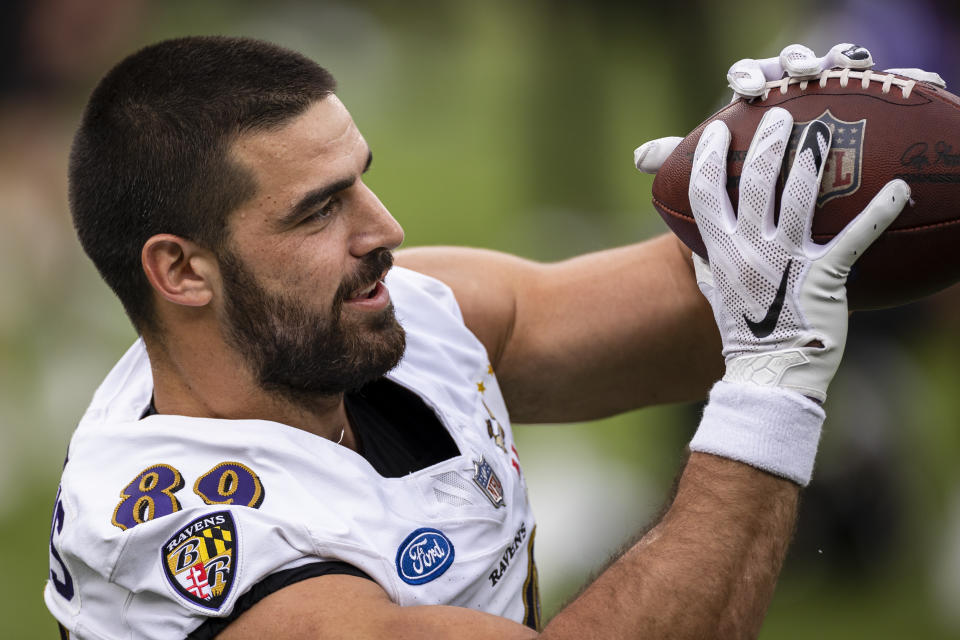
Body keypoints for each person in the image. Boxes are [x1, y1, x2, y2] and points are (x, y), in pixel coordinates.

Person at [45, 37, 909, 639]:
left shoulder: (388, 315)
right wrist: (770, 397)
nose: (385, 229)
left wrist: (805, 166)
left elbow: (726, 301)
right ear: (182, 271)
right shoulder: (205, 550)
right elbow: (759, 345)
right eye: (318, 209)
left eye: (361, 182)